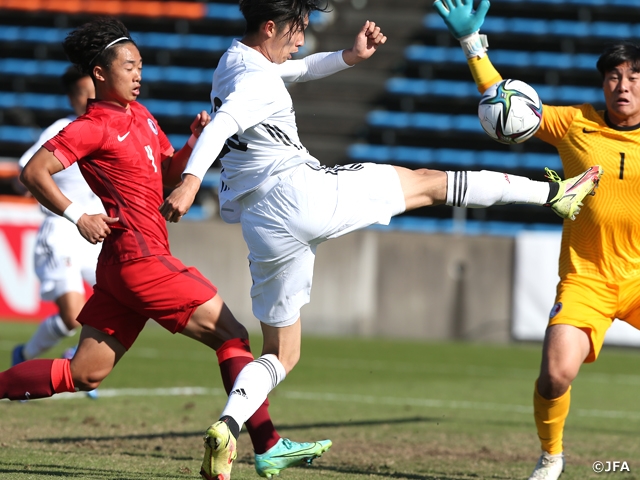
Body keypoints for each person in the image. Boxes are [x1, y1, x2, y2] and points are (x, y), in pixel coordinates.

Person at [158, 0, 602, 478]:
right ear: (271, 26)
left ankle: (229, 425)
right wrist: (189, 179)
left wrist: (348, 57)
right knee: (430, 182)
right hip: (301, 192)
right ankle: (552, 195)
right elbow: (225, 123)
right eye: (298, 30)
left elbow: (296, 69)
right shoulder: (257, 80)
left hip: (261, 221)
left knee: (281, 352)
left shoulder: (233, 62)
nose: (302, 40)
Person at [0, 17, 332, 480]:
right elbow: (33, 171)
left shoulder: (142, 117)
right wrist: (79, 215)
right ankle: (268, 444)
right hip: (140, 259)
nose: (139, 74)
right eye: (129, 66)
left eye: (140, 66)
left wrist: (195, 142)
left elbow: (166, 178)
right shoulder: (90, 126)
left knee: (84, 374)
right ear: (100, 74)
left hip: (122, 266)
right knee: (231, 336)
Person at [433, 1, 640, 479]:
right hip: (587, 278)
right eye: (613, 76)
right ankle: (551, 458)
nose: (622, 85)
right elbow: (504, 103)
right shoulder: (575, 124)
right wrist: (471, 45)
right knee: (554, 376)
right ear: (602, 82)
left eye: (632, 76)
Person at [12, 66, 102, 401]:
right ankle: (25, 355)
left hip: (95, 233)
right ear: (71, 96)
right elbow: (27, 171)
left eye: (95, 90)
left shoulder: (106, 128)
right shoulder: (61, 129)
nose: (91, 98)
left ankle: (76, 360)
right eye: (83, 92)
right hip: (62, 229)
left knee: (122, 300)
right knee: (72, 315)